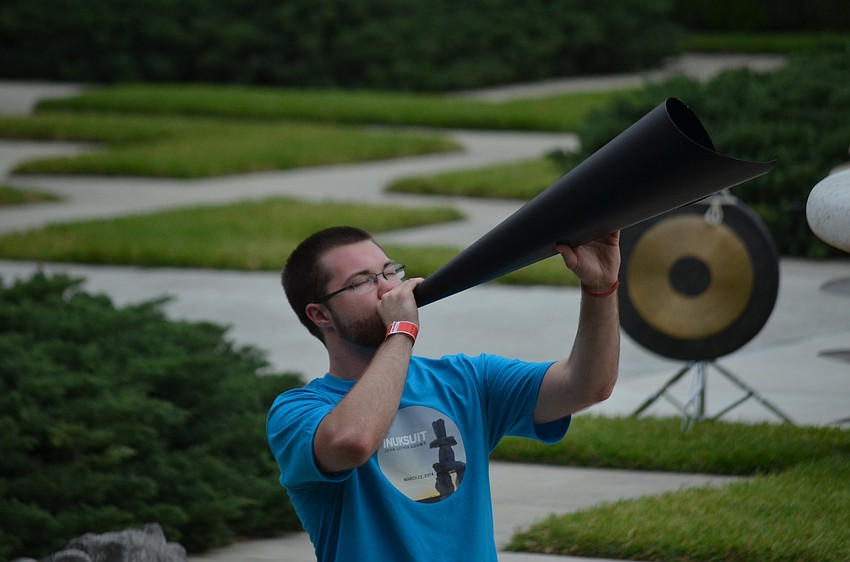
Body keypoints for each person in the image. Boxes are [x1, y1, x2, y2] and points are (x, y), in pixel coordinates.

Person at [267, 225, 621, 562]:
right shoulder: (297, 412)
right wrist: (401, 331)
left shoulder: (466, 379)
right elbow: (353, 441)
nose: (388, 289)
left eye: (390, 271)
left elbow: (587, 386)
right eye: (362, 282)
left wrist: (600, 289)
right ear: (320, 314)